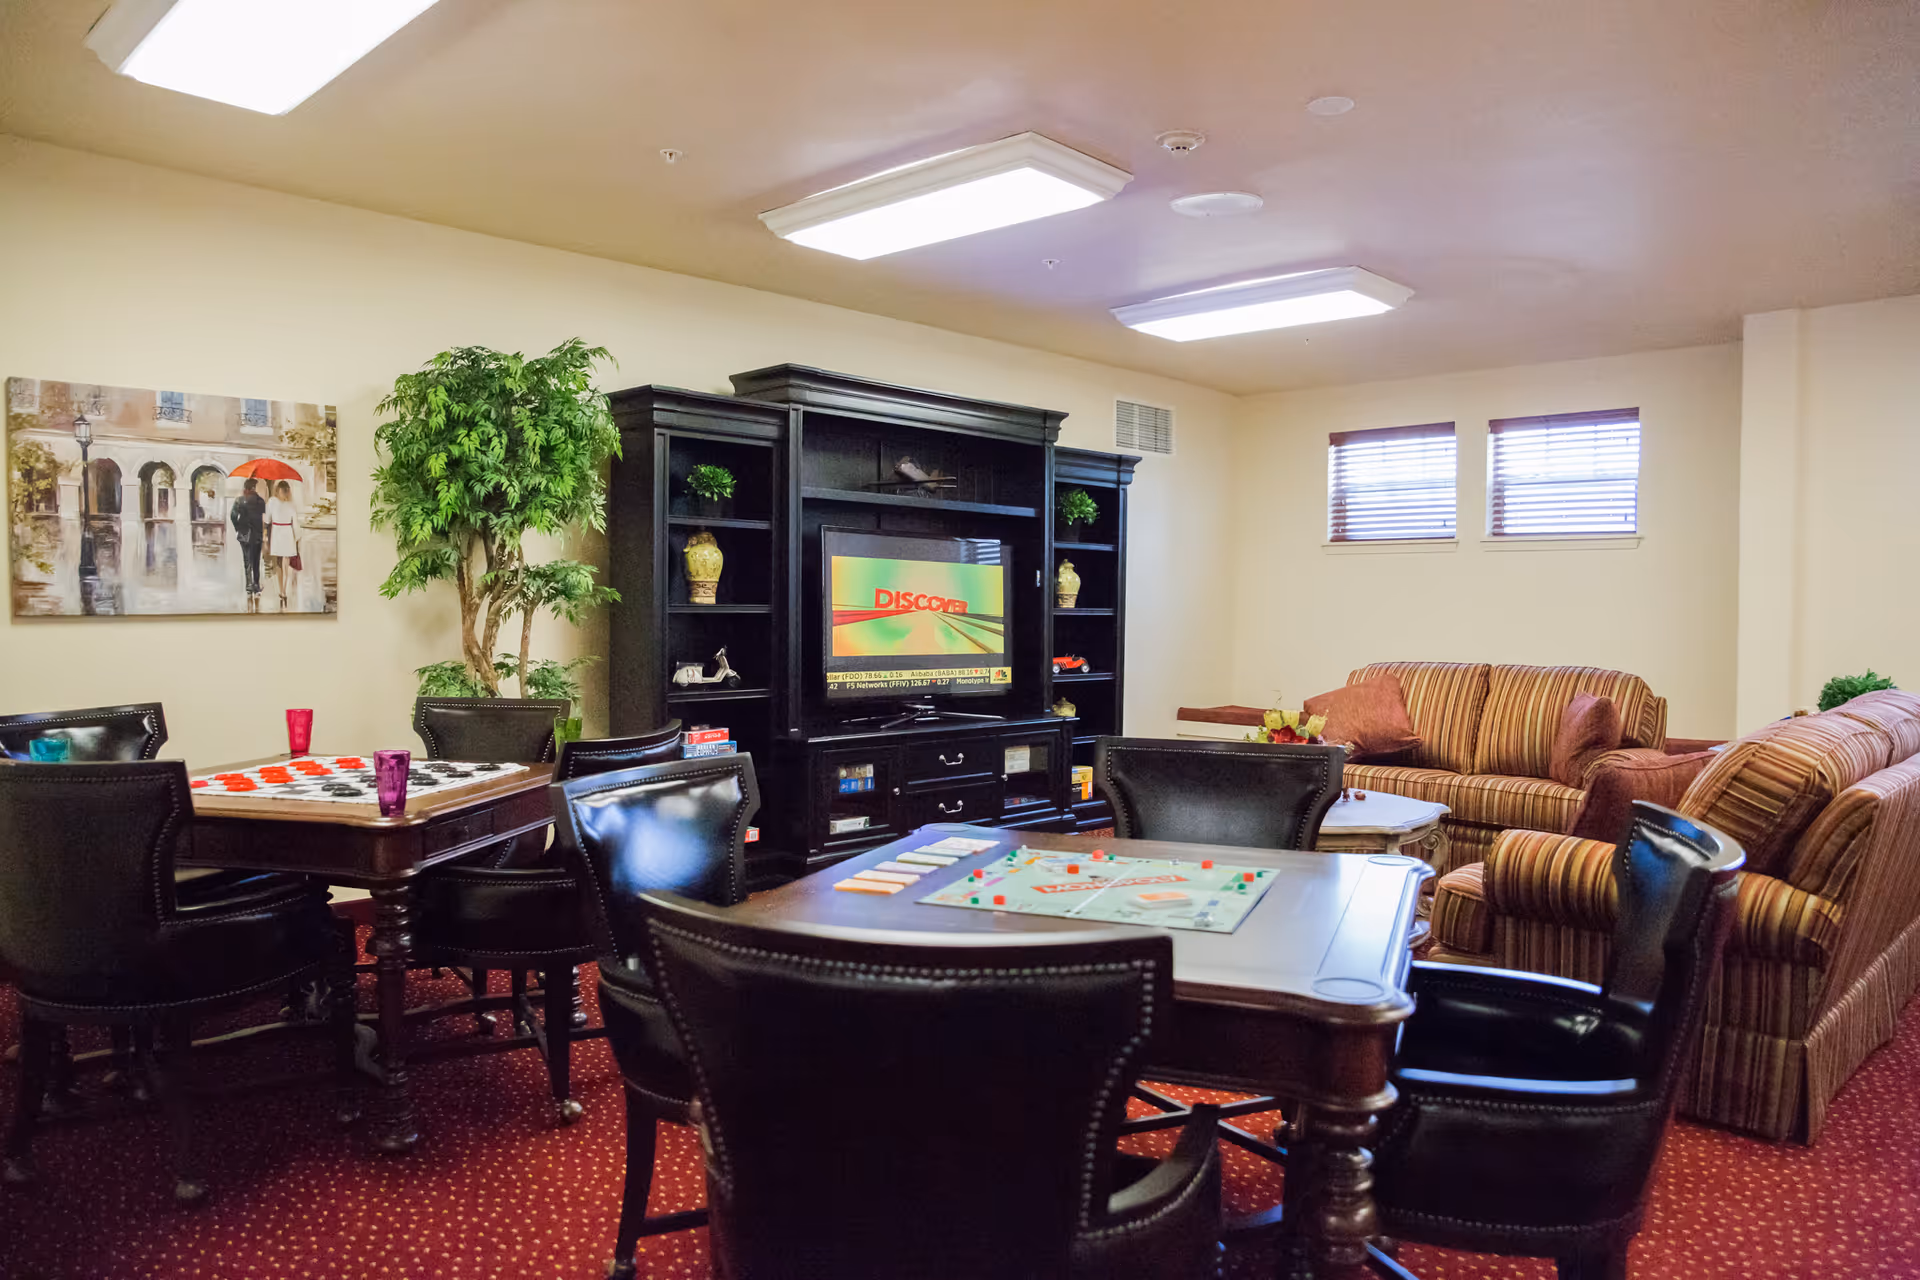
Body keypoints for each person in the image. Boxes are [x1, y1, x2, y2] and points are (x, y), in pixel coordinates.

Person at [229, 478, 266, 612]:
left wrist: (238, 527)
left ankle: (249, 587)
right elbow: (263, 517)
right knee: (256, 561)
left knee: (247, 562)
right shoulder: (261, 501)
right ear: (254, 488)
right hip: (257, 535)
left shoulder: (239, 500)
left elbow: (233, 516)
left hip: (244, 535)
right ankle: (256, 586)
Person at [265, 480, 299, 611]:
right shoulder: (291, 505)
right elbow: (295, 524)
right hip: (288, 533)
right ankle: (284, 590)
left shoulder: (272, 502)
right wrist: (297, 537)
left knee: (278, 564)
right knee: (286, 565)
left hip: (277, 533)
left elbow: (267, 519)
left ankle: (281, 590)